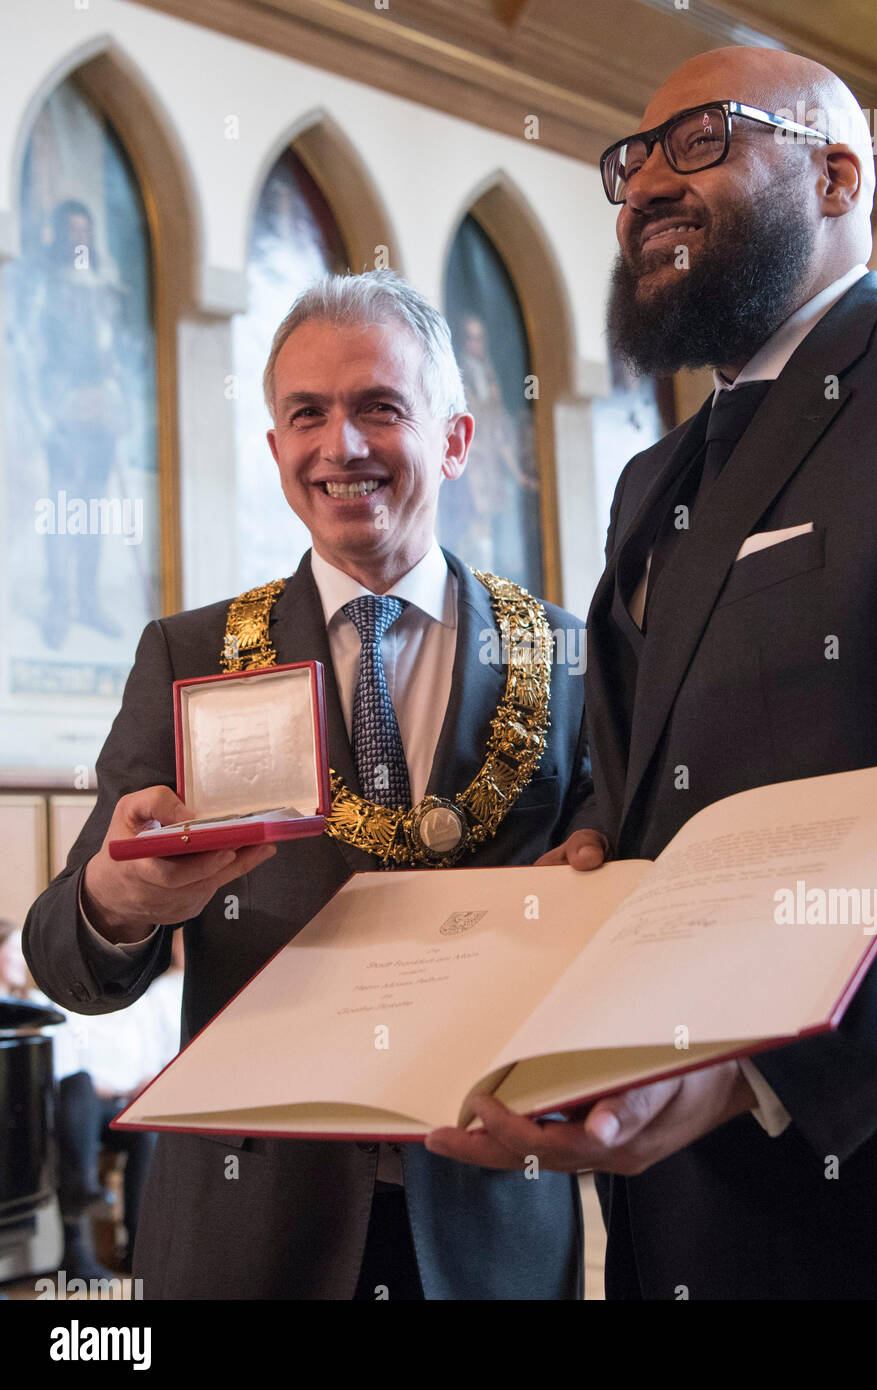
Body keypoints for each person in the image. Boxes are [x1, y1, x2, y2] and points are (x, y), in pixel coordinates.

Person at [425, 45, 877, 1300]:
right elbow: (636, 799)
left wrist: (764, 1068)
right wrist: (587, 873)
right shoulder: (647, 483)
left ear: (837, 174)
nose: (645, 184)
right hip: (676, 1201)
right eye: (632, 161)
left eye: (701, 138)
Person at [23, 270, 594, 1300]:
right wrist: (117, 901)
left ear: (456, 440)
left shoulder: (565, 656)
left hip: (487, 1221)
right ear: (278, 449)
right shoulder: (191, 653)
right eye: (307, 415)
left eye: (380, 407)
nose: (343, 446)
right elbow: (62, 958)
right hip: (250, 1223)